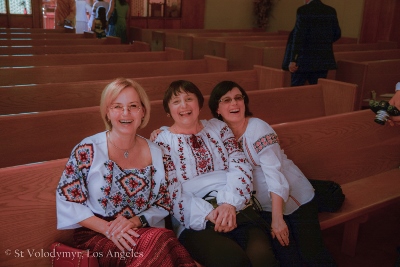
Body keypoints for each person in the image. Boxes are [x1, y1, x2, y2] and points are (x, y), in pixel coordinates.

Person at [56, 78, 197, 267]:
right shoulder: (88, 149)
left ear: (143, 111)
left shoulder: (157, 153)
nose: (125, 113)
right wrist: (109, 229)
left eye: (133, 106)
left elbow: (164, 202)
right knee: (163, 242)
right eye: (117, 106)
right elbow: (67, 200)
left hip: (141, 230)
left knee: (160, 239)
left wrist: (133, 223)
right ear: (107, 111)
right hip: (97, 235)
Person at [208, 81, 337, 266]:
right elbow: (193, 125)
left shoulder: (258, 128)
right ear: (217, 109)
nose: (234, 104)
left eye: (238, 98)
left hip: (295, 199)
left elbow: (274, 175)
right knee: (287, 257)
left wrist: (278, 220)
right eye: (226, 100)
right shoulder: (219, 130)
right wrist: (161, 132)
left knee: (312, 253)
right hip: (265, 207)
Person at [152, 80, 278, 267]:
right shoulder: (162, 143)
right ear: (168, 111)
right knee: (232, 260)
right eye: (176, 101)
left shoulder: (218, 128)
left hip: (235, 205)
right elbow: (171, 191)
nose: (184, 105)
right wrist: (209, 213)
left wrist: (229, 204)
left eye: (189, 99)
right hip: (195, 217)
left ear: (199, 104)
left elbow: (239, 164)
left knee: (262, 258)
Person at [284, 0, 341, 86]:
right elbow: (337, 33)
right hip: (322, 61)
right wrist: (323, 43)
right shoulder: (330, 10)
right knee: (316, 91)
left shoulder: (303, 10)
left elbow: (299, 36)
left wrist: (293, 60)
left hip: (304, 60)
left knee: (296, 91)